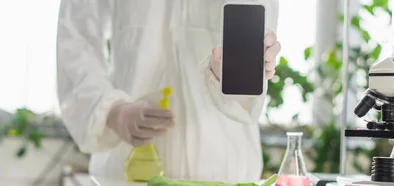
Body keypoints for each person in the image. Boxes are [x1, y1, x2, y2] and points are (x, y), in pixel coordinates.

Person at [56, 0, 282, 183]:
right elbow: (76, 38)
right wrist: (111, 110)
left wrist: (229, 72)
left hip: (224, 168)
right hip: (127, 168)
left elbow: (255, 27)